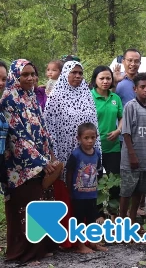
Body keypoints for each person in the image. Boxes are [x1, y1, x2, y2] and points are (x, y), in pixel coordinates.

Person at [2, 59, 60, 262]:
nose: (30, 78)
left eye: (33, 74)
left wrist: (51, 155)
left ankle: (40, 249)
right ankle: (22, 253)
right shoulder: (9, 99)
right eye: (25, 75)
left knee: (40, 204)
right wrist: (42, 161)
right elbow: (18, 137)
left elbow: (42, 128)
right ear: (15, 76)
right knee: (24, 207)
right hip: (20, 167)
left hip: (40, 162)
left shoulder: (31, 96)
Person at [45, 60, 102, 180]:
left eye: (80, 73)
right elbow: (49, 127)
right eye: (74, 72)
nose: (77, 76)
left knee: (85, 182)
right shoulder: (55, 97)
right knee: (68, 184)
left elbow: (94, 124)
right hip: (63, 149)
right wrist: (53, 155)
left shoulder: (87, 95)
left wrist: (97, 151)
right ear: (65, 73)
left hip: (86, 149)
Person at [65, 122, 107, 254]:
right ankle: (80, 245)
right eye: (86, 138)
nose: (90, 141)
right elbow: (69, 172)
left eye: (93, 138)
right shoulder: (76, 154)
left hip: (92, 194)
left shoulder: (97, 153)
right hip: (78, 195)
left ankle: (93, 242)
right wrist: (70, 190)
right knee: (79, 220)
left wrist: (98, 188)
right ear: (79, 138)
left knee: (91, 219)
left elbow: (99, 172)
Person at [119, 73, 146, 223]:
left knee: (139, 192)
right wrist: (132, 155)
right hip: (131, 159)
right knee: (126, 192)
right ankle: (121, 222)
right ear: (135, 89)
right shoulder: (130, 106)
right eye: (142, 87)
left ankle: (132, 221)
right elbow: (126, 132)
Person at [90, 65, 123, 215]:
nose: (105, 81)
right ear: (95, 80)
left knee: (115, 180)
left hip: (113, 146)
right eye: (101, 78)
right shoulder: (89, 97)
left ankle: (113, 210)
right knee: (94, 179)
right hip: (93, 147)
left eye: (108, 78)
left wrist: (118, 130)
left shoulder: (115, 98)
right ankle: (97, 213)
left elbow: (121, 117)